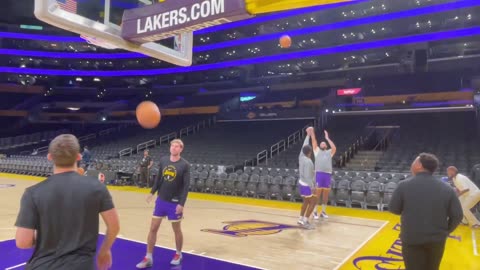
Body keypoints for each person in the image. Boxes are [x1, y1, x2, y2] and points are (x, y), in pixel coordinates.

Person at [14, 134, 120, 270]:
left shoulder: (32, 193)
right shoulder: (97, 188)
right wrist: (104, 251)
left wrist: (46, 236)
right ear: (79, 156)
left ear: (49, 157)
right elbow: (114, 226)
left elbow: (23, 242)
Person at [389, 153, 463, 270]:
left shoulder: (403, 185)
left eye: (414, 161)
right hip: (437, 240)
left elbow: (394, 209)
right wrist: (446, 231)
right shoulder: (447, 188)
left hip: (412, 239)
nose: (412, 164)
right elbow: (458, 215)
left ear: (419, 165)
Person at [136, 139, 190, 269]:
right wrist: (152, 192)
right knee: (153, 228)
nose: (174, 148)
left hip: (175, 203)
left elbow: (186, 186)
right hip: (161, 201)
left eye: (177, 146)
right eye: (172, 146)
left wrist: (181, 204)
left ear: (181, 149)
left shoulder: (185, 165)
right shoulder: (163, 160)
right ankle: (148, 257)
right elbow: (159, 178)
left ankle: (178, 254)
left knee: (176, 230)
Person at [309, 127, 336, 219]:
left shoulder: (329, 152)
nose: (323, 143)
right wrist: (312, 133)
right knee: (317, 193)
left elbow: (334, 148)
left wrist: (327, 138)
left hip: (327, 174)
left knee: (325, 195)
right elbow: (314, 141)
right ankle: (315, 211)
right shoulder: (317, 151)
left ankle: (323, 211)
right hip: (319, 174)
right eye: (321, 143)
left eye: (324, 143)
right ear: (320, 146)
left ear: (326, 146)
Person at [297, 129, 316, 229]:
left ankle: (300, 219)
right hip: (306, 184)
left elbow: (304, 145)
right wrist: (312, 187)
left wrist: (308, 135)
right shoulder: (309, 162)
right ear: (310, 152)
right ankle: (306, 221)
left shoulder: (301, 156)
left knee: (306, 202)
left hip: (301, 183)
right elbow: (309, 177)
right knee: (313, 202)